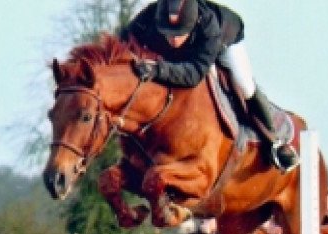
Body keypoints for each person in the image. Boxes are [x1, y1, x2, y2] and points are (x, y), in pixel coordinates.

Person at [121, 0, 299, 172]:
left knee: (244, 85)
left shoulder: (207, 25)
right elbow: (123, 39)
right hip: (194, 47)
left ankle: (275, 141)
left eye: (180, 33)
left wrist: (158, 69)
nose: (174, 41)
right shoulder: (151, 15)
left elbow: (195, 73)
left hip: (225, 39)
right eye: (169, 33)